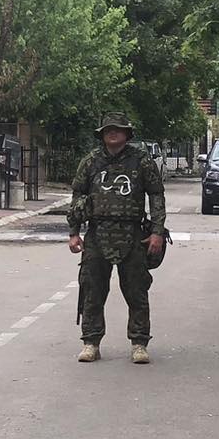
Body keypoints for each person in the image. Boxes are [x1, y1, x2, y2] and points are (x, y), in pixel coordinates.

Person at [67, 111, 168, 364]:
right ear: (102, 134)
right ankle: (91, 341)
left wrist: (157, 232)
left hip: (133, 234)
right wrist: (73, 232)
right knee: (92, 289)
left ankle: (139, 343)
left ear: (127, 133)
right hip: (97, 233)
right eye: (108, 130)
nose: (113, 133)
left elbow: (156, 196)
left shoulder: (142, 161)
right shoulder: (90, 162)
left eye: (118, 129)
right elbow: (77, 196)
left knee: (136, 291)